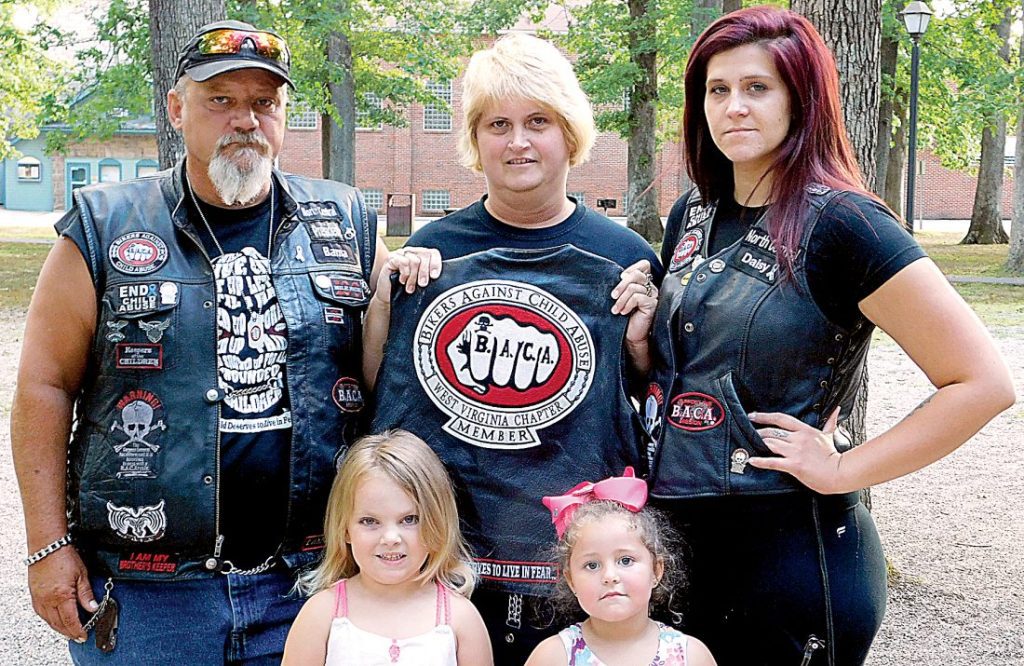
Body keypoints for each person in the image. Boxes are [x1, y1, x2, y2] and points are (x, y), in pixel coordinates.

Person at [645, 6, 1015, 666]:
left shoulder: (845, 224)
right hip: (680, 548)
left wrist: (844, 467)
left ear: (801, 99)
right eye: (717, 89)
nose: (734, 106)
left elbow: (983, 383)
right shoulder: (693, 213)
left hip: (791, 553)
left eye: (757, 88)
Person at [10, 20, 388, 664]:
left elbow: (393, 373)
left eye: (264, 102)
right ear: (177, 109)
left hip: (311, 583)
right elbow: (44, 386)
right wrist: (48, 546)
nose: (245, 120)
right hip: (147, 590)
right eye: (221, 100)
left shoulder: (345, 221)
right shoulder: (103, 226)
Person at [364, 33, 662, 664]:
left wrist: (638, 342)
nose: (518, 141)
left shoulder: (625, 259)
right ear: (476, 140)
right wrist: (390, 299)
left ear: (570, 134)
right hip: (450, 565)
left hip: (578, 572)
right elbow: (378, 390)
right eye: (498, 124)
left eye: (538, 122)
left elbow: (647, 398)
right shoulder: (433, 253)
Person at [281, 430, 492, 665]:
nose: (391, 538)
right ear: (345, 529)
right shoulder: (321, 614)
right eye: (369, 521)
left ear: (437, 522)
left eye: (409, 519)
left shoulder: (461, 619)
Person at [525, 468, 716, 666]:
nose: (609, 576)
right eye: (592, 565)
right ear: (571, 580)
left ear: (656, 570)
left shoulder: (691, 656)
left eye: (625, 560)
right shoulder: (553, 657)